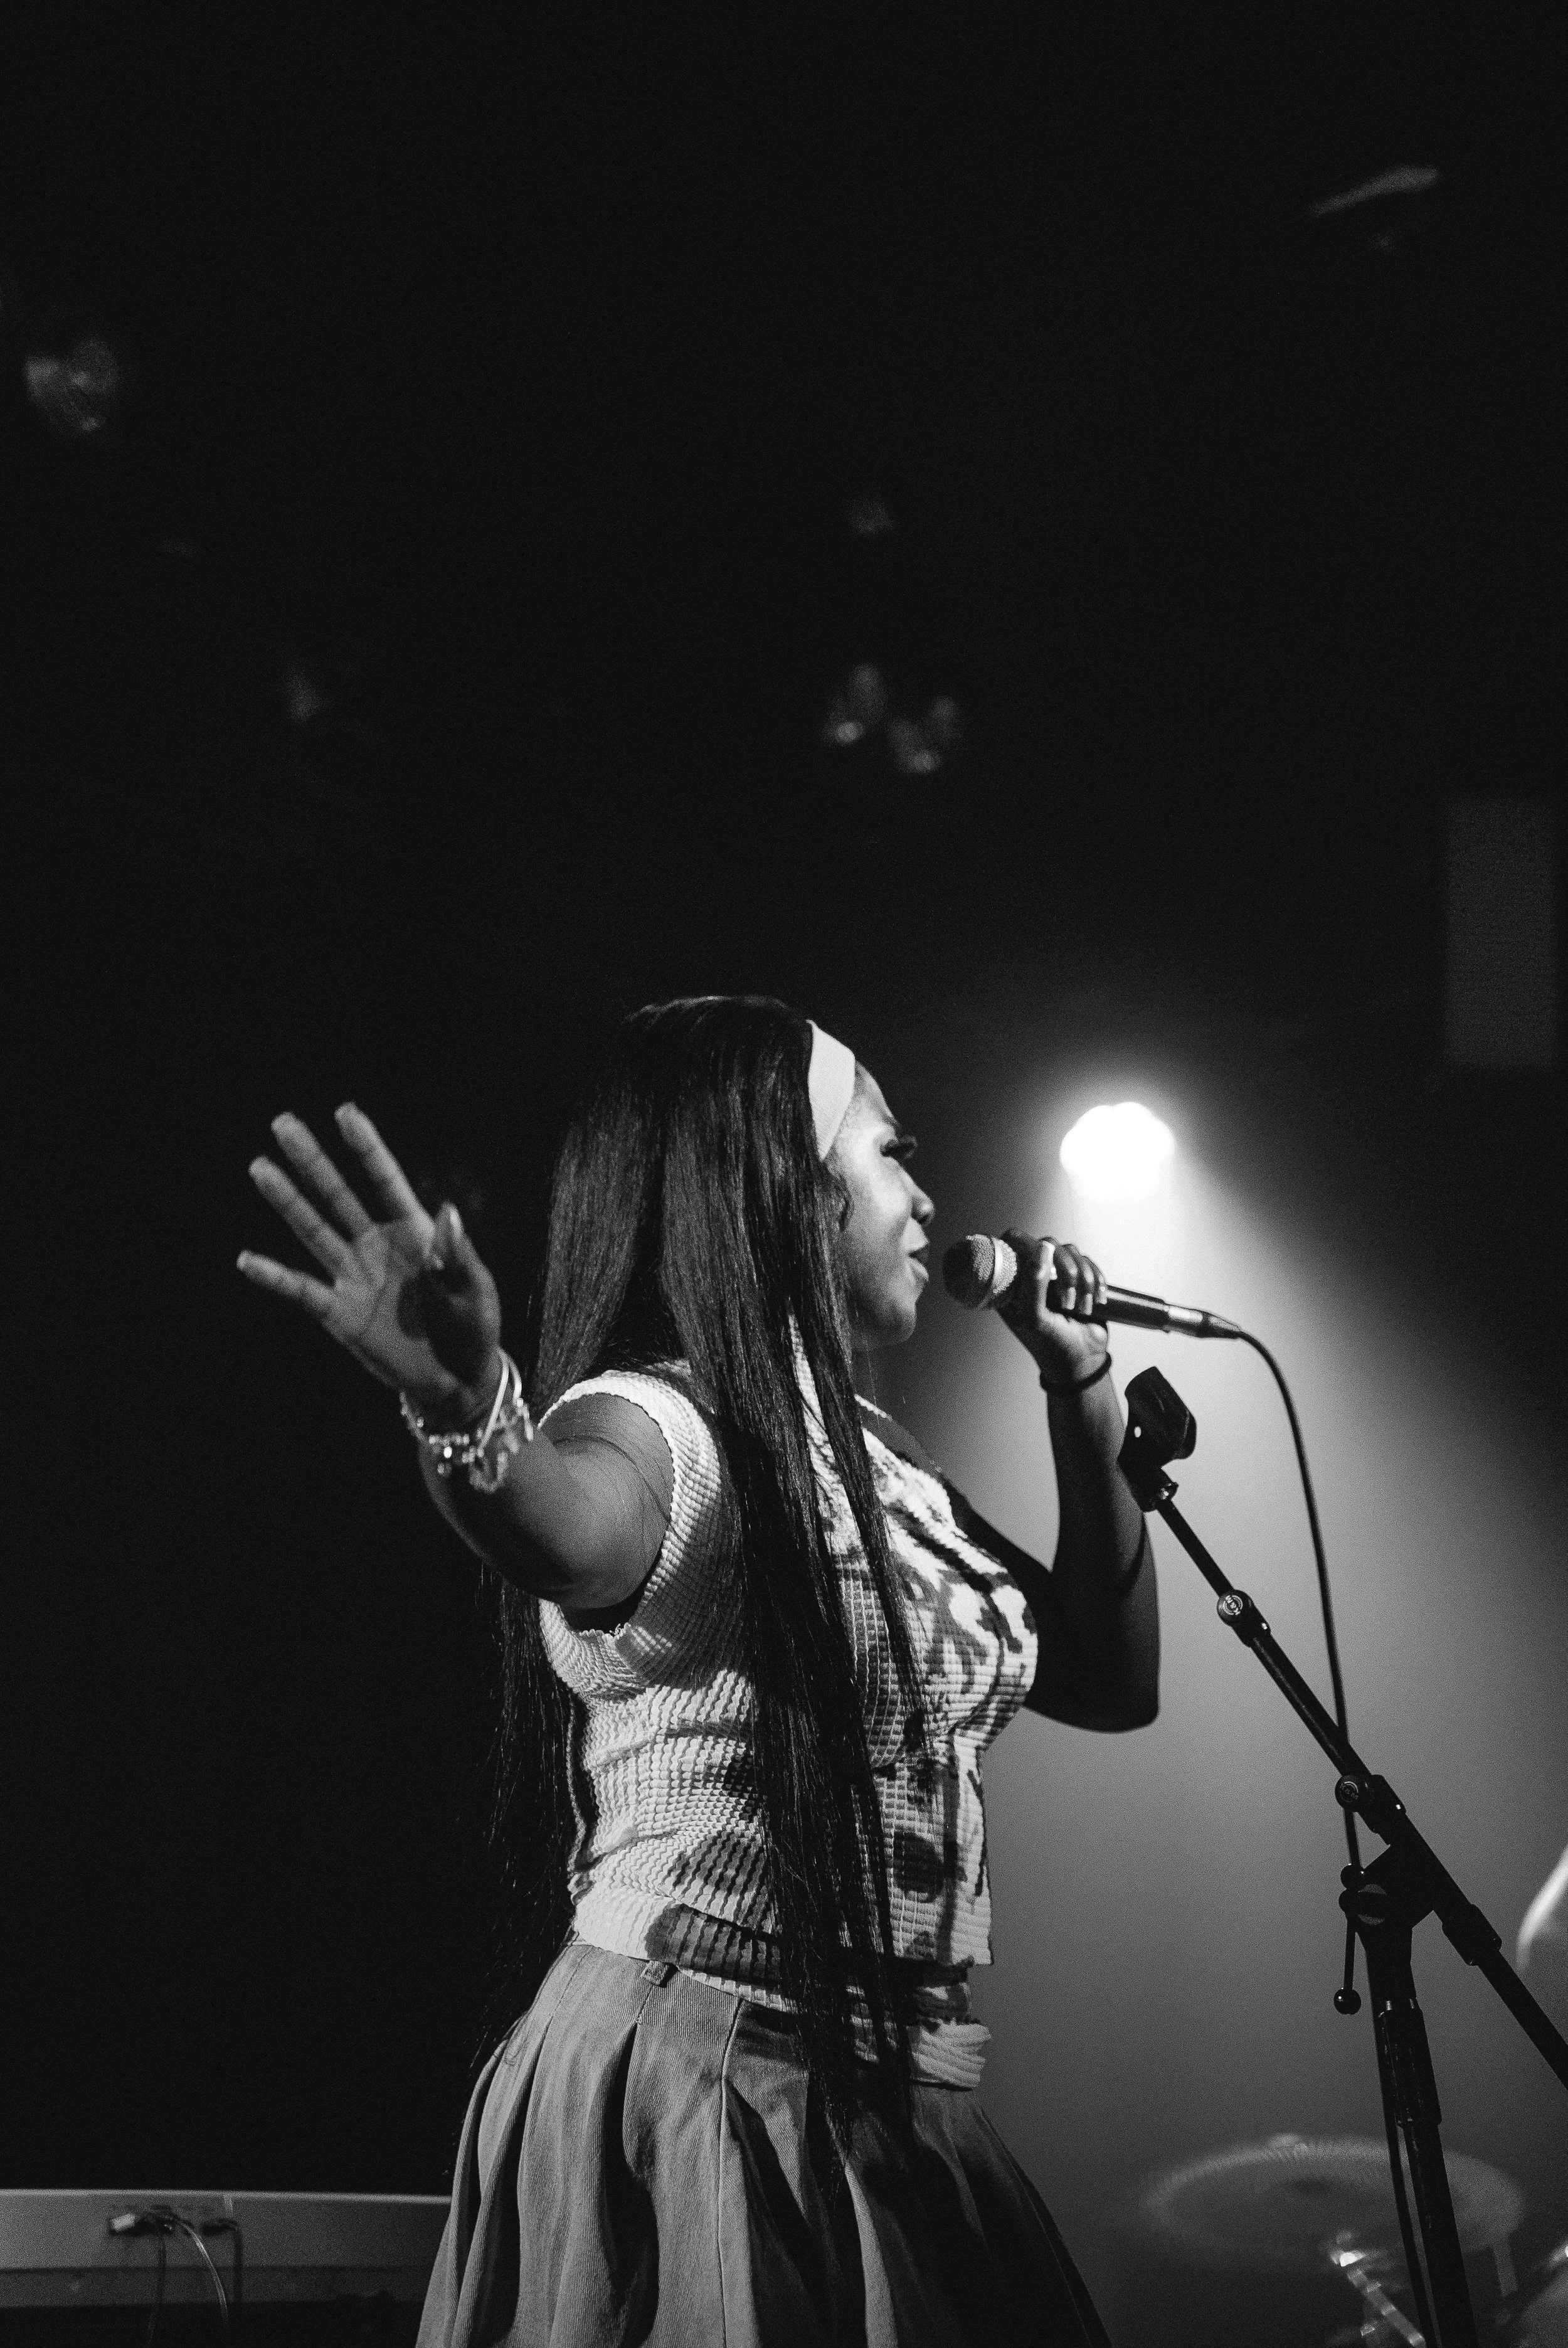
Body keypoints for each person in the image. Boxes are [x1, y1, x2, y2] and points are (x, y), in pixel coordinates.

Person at [238, 995, 1159, 2346]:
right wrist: (465, 1406)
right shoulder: (662, 1421)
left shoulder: (874, 1458)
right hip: (707, 2077)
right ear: (779, 1183)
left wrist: (1079, 1387)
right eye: (890, 1152)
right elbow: (563, 1523)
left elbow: (1107, 1675)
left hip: (898, 2092)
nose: (923, 1193)